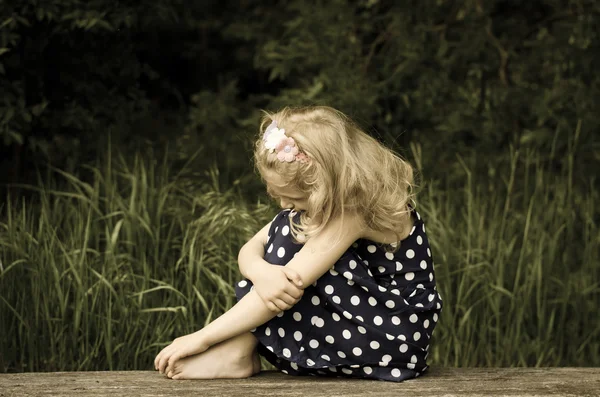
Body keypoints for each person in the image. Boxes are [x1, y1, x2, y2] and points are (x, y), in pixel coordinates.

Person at [154, 105, 442, 382]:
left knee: (290, 239)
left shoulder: (356, 209)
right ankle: (239, 350)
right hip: (370, 324)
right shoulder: (329, 202)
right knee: (288, 228)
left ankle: (238, 352)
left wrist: (201, 337)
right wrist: (259, 271)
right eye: (276, 194)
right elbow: (250, 248)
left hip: (395, 338)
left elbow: (292, 280)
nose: (283, 203)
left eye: (294, 197)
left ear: (326, 185)